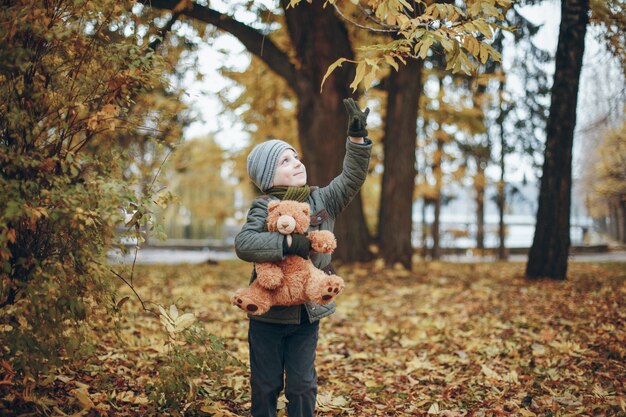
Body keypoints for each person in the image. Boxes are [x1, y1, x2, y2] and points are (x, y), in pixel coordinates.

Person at [234, 98, 372, 417]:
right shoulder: (262, 207)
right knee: (266, 384)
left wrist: (356, 140)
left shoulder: (322, 199)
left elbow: (352, 177)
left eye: (296, 156)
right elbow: (245, 243)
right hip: (267, 317)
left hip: (307, 315)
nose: (296, 162)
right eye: (285, 161)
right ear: (269, 177)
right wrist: (287, 244)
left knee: (302, 385)